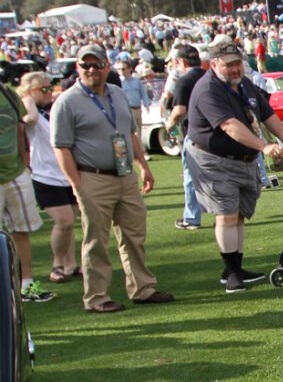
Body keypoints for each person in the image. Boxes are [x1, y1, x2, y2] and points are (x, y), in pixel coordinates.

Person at [48, 43, 172, 313]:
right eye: (85, 65)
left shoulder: (116, 93)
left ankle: (142, 288)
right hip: (92, 177)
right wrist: (76, 183)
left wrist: (143, 165)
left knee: (134, 234)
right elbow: (61, 147)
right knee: (96, 239)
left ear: (106, 65)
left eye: (96, 64)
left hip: (125, 175)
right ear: (78, 68)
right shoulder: (66, 102)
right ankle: (96, 297)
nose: (91, 69)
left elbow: (129, 134)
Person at [186, 42, 283, 294]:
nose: (235, 68)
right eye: (229, 65)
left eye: (237, 63)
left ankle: (235, 268)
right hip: (214, 159)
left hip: (241, 159)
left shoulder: (243, 83)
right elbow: (229, 126)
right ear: (214, 64)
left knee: (238, 214)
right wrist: (264, 146)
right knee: (226, 213)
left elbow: (266, 113)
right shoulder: (208, 89)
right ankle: (231, 274)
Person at [18, 73, 78, 284]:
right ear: (28, 92)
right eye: (43, 89)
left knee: (71, 220)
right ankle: (57, 264)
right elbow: (30, 120)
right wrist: (27, 99)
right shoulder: (28, 109)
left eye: (50, 87)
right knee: (64, 221)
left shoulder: (52, 109)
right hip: (44, 175)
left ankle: (71, 263)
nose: (49, 92)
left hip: (64, 172)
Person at [0, 80, 53, 302]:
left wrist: (25, 163)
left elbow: (21, 127)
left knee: (21, 231)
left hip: (15, 173)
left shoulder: (7, 93)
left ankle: (27, 285)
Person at [164, 44, 207, 230]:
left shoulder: (183, 81)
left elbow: (180, 110)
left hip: (194, 134)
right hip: (215, 132)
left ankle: (192, 218)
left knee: (190, 176)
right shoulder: (209, 77)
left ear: (181, 61)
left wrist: (169, 124)